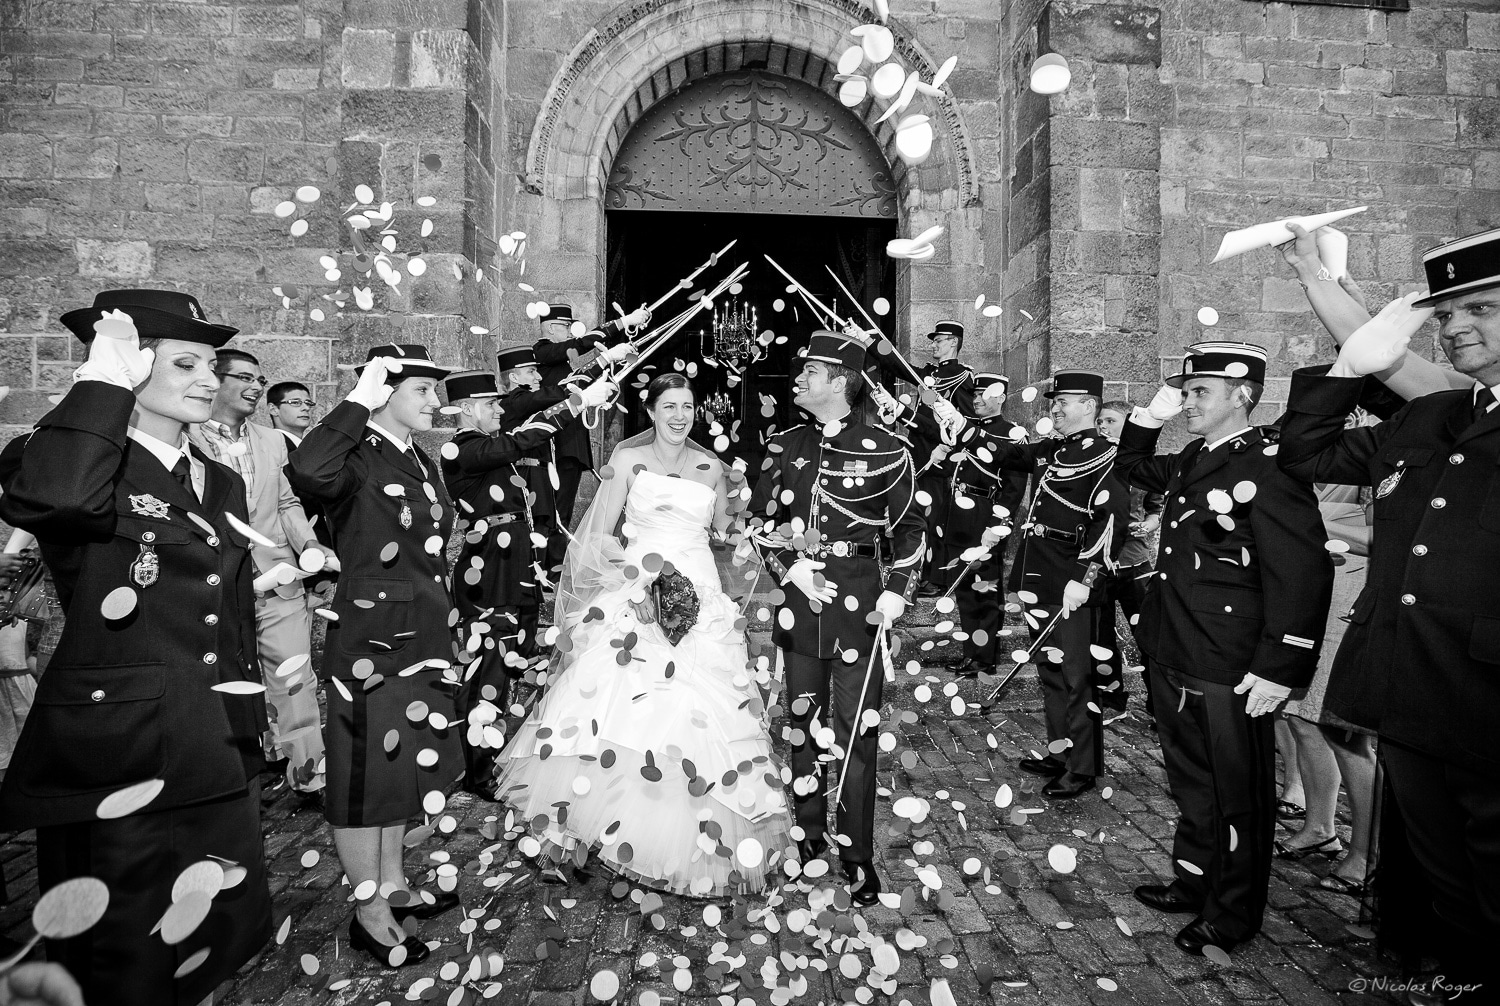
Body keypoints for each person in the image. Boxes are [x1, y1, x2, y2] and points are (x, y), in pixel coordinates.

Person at [0, 288, 273, 1005]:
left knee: (210, 938)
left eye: (213, 365)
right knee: (123, 960)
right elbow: (55, 501)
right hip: (121, 752)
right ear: (129, 368)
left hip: (212, 739)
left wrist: (250, 722)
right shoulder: (68, 457)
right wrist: (100, 382)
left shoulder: (215, 476)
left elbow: (229, 609)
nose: (211, 381)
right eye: (186, 363)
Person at [1276, 230, 1500, 991]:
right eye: (1446, 313)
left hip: (1489, 710)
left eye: (1482, 308)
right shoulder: (1434, 417)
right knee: (1442, 889)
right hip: (1412, 695)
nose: (1456, 324)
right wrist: (1346, 365)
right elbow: (1303, 455)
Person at [496, 373, 790, 896]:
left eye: (688, 406)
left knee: (691, 713)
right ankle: (573, 834)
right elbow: (599, 535)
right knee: (607, 704)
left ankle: (681, 840)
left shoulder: (711, 468)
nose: (680, 415)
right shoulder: (628, 462)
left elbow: (725, 533)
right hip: (636, 595)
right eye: (669, 406)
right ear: (650, 412)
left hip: (699, 602)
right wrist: (637, 578)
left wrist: (750, 511)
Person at [1113, 341, 1333, 959]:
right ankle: (1195, 879)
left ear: (1244, 394)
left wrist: (1280, 665)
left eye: (1198, 392)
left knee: (1239, 790)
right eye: (1184, 391)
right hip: (1174, 643)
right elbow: (1128, 467)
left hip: (1231, 660)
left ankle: (1233, 912)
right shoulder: (1190, 457)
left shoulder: (1271, 462)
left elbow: (1301, 570)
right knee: (1191, 780)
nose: (1186, 401)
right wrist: (1144, 420)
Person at [286, 343, 466, 968]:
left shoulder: (415, 456)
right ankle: (368, 911)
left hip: (423, 633)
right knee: (364, 771)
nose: (435, 402)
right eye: (421, 390)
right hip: (372, 639)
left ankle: (391, 884)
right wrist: (357, 401)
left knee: (402, 770)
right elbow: (308, 473)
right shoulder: (354, 452)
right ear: (384, 391)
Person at [747, 331, 927, 904]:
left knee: (857, 733)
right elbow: (758, 522)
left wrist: (898, 590)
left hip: (862, 606)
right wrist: (788, 569)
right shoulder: (782, 446)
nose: (797, 380)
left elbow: (912, 533)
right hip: (803, 605)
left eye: (809, 372)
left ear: (842, 381)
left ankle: (857, 854)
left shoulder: (888, 449)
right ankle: (809, 834)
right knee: (802, 723)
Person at [439, 367, 614, 799]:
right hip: (491, 571)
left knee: (511, 662)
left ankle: (489, 751)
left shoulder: (486, 445)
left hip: (515, 564)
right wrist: (577, 402)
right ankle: (476, 771)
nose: (500, 409)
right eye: (491, 404)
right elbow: (520, 440)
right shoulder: (460, 448)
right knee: (488, 669)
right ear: (467, 410)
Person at [191, 349, 331, 802]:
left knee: (295, 678)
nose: (254, 386)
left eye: (259, 378)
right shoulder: (184, 436)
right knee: (222, 685)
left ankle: (311, 777)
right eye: (244, 377)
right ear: (216, 380)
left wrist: (309, 545)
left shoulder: (273, 441)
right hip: (213, 588)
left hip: (280, 580)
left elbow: (288, 504)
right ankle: (242, 771)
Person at [986, 371, 1130, 800]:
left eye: (1064, 402)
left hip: (1071, 576)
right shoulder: (1054, 450)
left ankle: (1083, 766)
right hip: (1039, 572)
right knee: (1050, 668)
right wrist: (960, 428)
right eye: (1054, 402)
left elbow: (1111, 523)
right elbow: (1008, 456)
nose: (1055, 409)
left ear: (1089, 406)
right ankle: (1060, 749)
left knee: (1076, 675)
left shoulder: (1109, 456)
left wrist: (1086, 579)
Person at [533, 304, 650, 576]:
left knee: (562, 509)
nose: (570, 332)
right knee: (554, 511)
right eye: (565, 326)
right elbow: (583, 345)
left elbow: (581, 381)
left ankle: (554, 566)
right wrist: (622, 322)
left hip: (569, 448)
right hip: (557, 447)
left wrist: (608, 364)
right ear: (551, 328)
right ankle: (549, 568)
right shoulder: (542, 351)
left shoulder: (558, 361)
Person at [875, 321, 975, 595]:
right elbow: (898, 365)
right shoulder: (930, 374)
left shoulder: (962, 377)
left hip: (938, 458)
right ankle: (916, 574)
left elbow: (964, 423)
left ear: (954, 342)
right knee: (916, 515)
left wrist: (948, 450)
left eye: (939, 340)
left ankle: (934, 578)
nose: (933, 345)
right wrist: (869, 339)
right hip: (919, 455)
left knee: (933, 519)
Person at [1095, 402, 1165, 716]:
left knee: (1149, 635)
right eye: (1100, 421)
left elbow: (1154, 506)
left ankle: (1158, 705)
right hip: (1099, 567)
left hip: (1136, 565)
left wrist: (1149, 524)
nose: (1102, 427)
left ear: (1129, 427)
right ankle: (1112, 701)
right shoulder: (1092, 461)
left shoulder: (1144, 465)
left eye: (1110, 421)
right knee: (1100, 636)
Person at [266, 381, 317, 447]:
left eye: (308, 403)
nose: (306, 408)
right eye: (295, 402)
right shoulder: (272, 447)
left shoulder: (303, 448)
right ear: (273, 409)